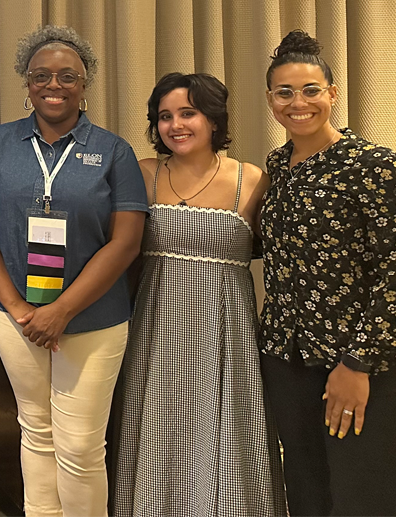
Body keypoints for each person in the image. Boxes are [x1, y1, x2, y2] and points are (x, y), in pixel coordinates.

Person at [0, 25, 147, 517]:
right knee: (36, 430)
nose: (54, 85)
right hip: (13, 313)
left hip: (93, 318)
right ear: (26, 83)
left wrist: (60, 311)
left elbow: (126, 242)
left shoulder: (114, 151)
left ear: (84, 85)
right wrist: (18, 307)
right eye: (41, 75)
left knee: (81, 445)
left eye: (68, 76)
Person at [257, 30, 396, 517]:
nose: (298, 103)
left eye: (310, 90)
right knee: (308, 494)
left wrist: (358, 362)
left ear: (332, 93)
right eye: (284, 92)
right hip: (289, 361)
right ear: (270, 100)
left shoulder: (375, 167)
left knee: (368, 496)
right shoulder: (277, 167)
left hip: (365, 366)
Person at [114, 72, 285, 516]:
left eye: (187, 113)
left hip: (228, 337)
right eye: (165, 116)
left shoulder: (253, 180)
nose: (175, 125)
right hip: (156, 332)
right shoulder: (143, 173)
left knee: (229, 436)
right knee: (159, 431)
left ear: (213, 119)